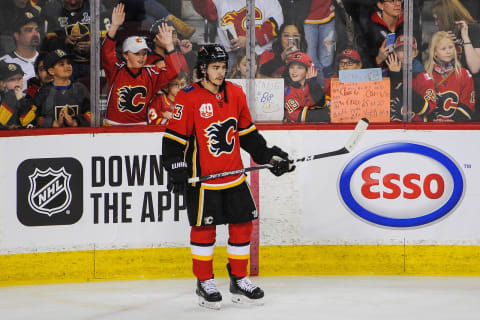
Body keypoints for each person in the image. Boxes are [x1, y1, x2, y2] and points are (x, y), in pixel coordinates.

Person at [162, 44, 295, 309]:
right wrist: (176, 166)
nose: (221, 72)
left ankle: (238, 278)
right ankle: (204, 282)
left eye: (223, 67)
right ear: (202, 70)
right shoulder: (188, 97)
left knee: (243, 224)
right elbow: (173, 139)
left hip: (233, 176)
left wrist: (269, 156)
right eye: (215, 67)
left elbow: (247, 135)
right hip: (203, 179)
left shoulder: (235, 93)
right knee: (203, 229)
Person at [101, 3, 180, 126]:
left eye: (144, 53)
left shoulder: (151, 73)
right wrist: (114, 26)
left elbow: (174, 72)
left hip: (141, 128)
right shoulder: (115, 69)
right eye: (136, 53)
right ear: (126, 55)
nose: (142, 57)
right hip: (112, 126)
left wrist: (169, 45)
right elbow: (106, 52)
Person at [191, 0, 284, 68]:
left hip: (261, 55)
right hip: (230, 56)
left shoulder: (268, 1)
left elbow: (276, 24)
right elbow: (205, 9)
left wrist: (250, 39)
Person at [431, 0, 480, 120]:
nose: (436, 23)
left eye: (438, 19)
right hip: (451, 94)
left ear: (446, 17)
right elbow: (434, 67)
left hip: (473, 94)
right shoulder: (445, 33)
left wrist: (465, 37)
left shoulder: (474, 30)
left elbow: (475, 67)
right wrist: (447, 44)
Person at [42, 0, 111, 80]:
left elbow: (110, 40)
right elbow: (47, 45)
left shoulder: (96, 8)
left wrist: (95, 44)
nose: (73, 2)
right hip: (65, 66)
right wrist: (64, 41)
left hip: (94, 66)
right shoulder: (53, 10)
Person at [30, 49, 91, 127]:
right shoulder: (43, 91)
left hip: (77, 137)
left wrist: (75, 122)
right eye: (61, 64)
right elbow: (33, 116)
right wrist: (53, 124)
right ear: (51, 71)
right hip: (50, 138)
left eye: (68, 63)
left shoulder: (80, 88)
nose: (67, 66)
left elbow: (93, 112)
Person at [424, 31, 475, 122]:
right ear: (435, 52)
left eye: (451, 47)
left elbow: (468, 104)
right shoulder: (427, 75)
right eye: (443, 49)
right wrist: (433, 121)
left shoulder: (463, 74)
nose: (448, 51)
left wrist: (454, 120)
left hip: (457, 129)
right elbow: (425, 105)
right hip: (432, 128)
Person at [385, 35, 436, 122]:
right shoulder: (385, 73)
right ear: (395, 53)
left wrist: (401, 87)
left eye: (409, 50)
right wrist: (394, 75)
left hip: (414, 129)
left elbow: (427, 109)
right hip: (390, 128)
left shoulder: (422, 77)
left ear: (415, 53)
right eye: (401, 50)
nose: (405, 53)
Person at [0, 12, 42, 91]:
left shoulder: (48, 59)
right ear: (16, 35)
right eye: (29, 30)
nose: (35, 34)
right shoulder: (3, 62)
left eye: (37, 30)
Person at [283, 51, 329, 122]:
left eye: (299, 68)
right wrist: (325, 114)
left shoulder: (313, 85)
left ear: (308, 70)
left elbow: (322, 104)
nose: (294, 71)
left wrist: (313, 85)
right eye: (292, 67)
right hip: (296, 130)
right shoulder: (287, 91)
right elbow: (297, 115)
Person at [303, 0, 336, 87]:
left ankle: (328, 92)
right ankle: (322, 91)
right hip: (306, 16)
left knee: (326, 60)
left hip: (328, 13)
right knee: (310, 59)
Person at [364, 0, 404, 71]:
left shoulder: (408, 24)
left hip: (405, 77)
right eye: (391, 1)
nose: (398, 4)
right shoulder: (370, 30)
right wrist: (379, 59)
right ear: (380, 5)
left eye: (399, 0)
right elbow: (362, 65)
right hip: (381, 79)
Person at [0, 61, 36, 129]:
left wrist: (21, 100)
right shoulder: (7, 97)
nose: (17, 82)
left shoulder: (27, 99)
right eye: (12, 79)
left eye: (19, 78)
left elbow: (29, 123)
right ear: (2, 83)